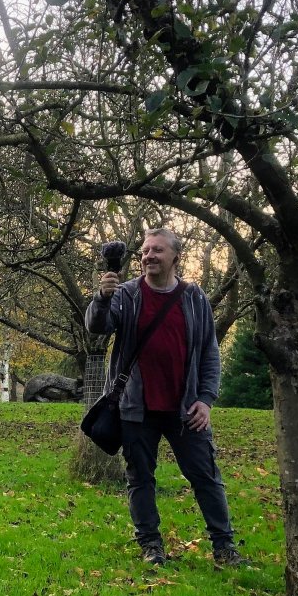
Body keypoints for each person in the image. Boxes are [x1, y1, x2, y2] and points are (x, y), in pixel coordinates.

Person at [85, 228, 243, 566]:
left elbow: (209, 353)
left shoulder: (193, 297)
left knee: (205, 476)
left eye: (157, 250)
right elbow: (98, 326)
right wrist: (102, 297)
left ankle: (224, 547)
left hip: (186, 408)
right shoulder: (126, 294)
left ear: (175, 256)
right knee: (140, 478)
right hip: (136, 407)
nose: (148, 256)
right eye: (144, 251)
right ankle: (151, 545)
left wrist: (206, 399)